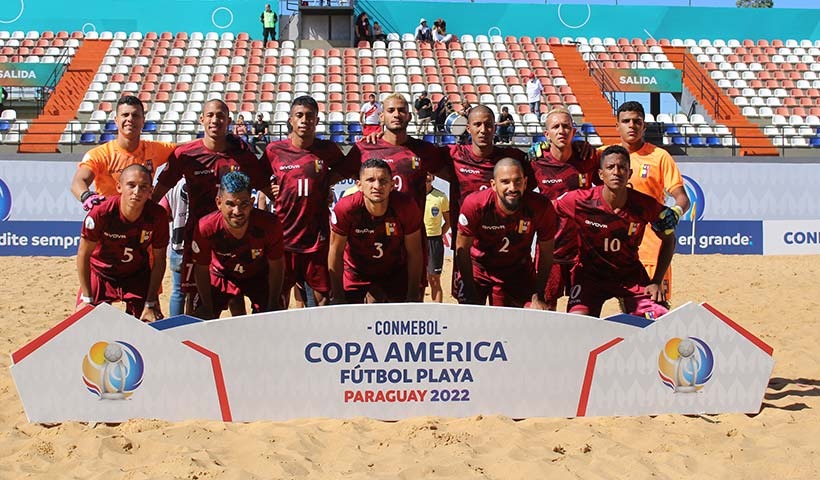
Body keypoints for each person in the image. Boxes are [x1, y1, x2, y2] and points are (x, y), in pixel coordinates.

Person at [152, 99, 274, 313]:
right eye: (210, 115)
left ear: (228, 120)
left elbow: (266, 188)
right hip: (199, 235)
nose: (215, 120)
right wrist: (148, 212)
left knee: (237, 297)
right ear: (202, 120)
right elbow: (161, 188)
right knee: (195, 298)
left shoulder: (243, 156)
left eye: (220, 116)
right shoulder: (185, 154)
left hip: (235, 238)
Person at [554, 145, 677, 318]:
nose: (616, 172)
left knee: (658, 319)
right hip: (589, 277)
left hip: (630, 276)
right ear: (600, 174)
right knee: (578, 323)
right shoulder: (581, 200)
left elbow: (669, 239)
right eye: (610, 167)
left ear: (630, 173)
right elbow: (544, 210)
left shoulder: (644, 205)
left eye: (622, 168)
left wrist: (656, 281)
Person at [262, 95, 355, 307]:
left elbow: (348, 167)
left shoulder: (327, 150)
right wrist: (271, 191)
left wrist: (325, 183)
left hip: (317, 239)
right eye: (299, 116)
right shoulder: (274, 150)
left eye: (310, 116)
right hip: (283, 239)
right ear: (290, 120)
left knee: (323, 299)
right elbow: (256, 176)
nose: (305, 120)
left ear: (317, 120)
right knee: (276, 299)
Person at [607, 101, 689, 304]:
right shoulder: (604, 156)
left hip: (651, 252)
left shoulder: (659, 157)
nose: (632, 125)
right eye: (626, 121)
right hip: (611, 252)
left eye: (637, 121)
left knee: (654, 314)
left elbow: (682, 198)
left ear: (644, 126)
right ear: (617, 126)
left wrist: (675, 212)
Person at [455, 158, 556, 308]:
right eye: (505, 182)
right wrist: (470, 291)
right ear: (493, 185)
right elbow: (462, 250)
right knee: (469, 319)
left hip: (517, 270)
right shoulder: (475, 204)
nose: (512, 188)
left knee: (530, 317)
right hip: (479, 268)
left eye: (517, 181)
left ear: (526, 182)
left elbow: (547, 253)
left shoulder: (540, 207)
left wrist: (538, 293)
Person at [76, 164, 168, 322]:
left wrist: (151, 302)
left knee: (151, 323)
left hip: (136, 274)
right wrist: (87, 298)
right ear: (119, 187)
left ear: (150, 191)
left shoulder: (158, 216)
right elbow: (84, 254)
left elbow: (159, 260)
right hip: (100, 273)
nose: (137, 192)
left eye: (143, 187)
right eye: (131, 185)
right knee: (83, 321)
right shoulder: (101, 213)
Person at [528, 107, 599, 311]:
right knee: (545, 310)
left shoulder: (587, 158)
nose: (562, 130)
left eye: (566, 126)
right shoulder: (536, 162)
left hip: (582, 252)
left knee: (582, 313)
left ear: (574, 132)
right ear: (546, 134)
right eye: (556, 126)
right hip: (551, 250)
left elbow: (607, 183)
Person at [192, 171, 285, 319]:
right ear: (219, 203)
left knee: (275, 316)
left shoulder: (270, 225)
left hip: (258, 273)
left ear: (252, 201)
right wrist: (207, 307)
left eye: (244, 203)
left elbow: (276, 265)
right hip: (221, 273)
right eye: (230, 204)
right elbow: (201, 268)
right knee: (200, 316)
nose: (237, 211)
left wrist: (273, 303)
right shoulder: (205, 227)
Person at [329, 159, 423, 304]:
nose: (377, 186)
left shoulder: (406, 206)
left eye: (383, 180)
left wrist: (413, 295)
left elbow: (414, 252)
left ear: (392, 185)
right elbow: (336, 251)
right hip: (356, 274)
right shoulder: (346, 208)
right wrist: (338, 296)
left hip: (395, 272)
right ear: (359, 185)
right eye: (370, 180)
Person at [71, 95, 176, 210]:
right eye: (125, 115)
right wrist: (86, 196)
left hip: (142, 219)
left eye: (135, 115)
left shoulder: (153, 149)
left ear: (143, 121)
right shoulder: (100, 154)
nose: (130, 119)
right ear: (116, 120)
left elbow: (186, 147)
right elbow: (79, 181)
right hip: (109, 219)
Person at [158, 178, 189, 316]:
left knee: (178, 291)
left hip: (178, 244)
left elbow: (164, 212)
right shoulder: (204, 180)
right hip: (199, 243)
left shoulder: (170, 185)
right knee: (197, 292)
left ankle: (176, 328)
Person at [424, 173, 450, 302]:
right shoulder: (412, 195)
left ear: (433, 177)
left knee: (434, 279)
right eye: (424, 173)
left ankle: (437, 313)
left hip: (434, 241)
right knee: (415, 280)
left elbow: (448, 221)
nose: (427, 176)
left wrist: (438, 234)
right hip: (416, 241)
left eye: (430, 173)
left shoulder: (440, 197)